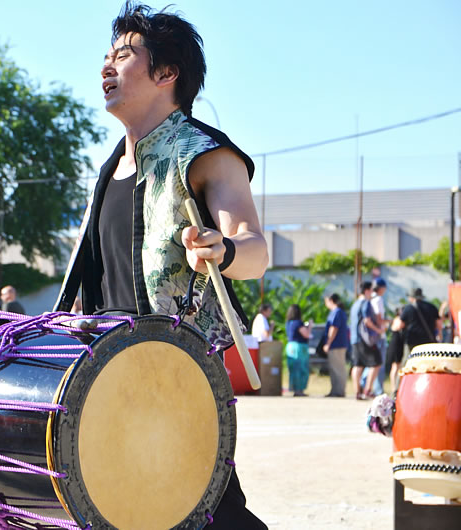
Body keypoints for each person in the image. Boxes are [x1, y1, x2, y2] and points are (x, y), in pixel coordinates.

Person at [52, 4, 268, 527]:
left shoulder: (202, 152)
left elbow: (256, 250)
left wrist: (223, 249)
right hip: (110, 374)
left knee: (210, 512)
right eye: (106, 56)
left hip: (177, 377)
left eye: (123, 56)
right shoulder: (110, 168)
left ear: (166, 74)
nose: (106, 67)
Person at [392, 287, 441, 388]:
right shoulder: (431, 307)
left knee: (405, 366)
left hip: (412, 342)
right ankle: (430, 388)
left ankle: (397, 390)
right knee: (429, 367)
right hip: (428, 342)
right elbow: (439, 324)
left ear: (411, 298)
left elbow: (399, 325)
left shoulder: (408, 308)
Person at [350, 281, 385, 400]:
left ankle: (357, 391)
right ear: (366, 291)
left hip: (355, 338)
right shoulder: (366, 303)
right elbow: (367, 321)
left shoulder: (355, 304)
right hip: (365, 339)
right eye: (371, 290)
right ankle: (367, 389)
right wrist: (378, 330)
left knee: (358, 365)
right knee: (377, 362)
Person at [322, 294, 349, 397]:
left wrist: (328, 342)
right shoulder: (340, 312)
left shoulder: (336, 312)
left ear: (331, 300)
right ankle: (335, 390)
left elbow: (334, 328)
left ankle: (338, 391)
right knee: (336, 368)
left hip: (336, 344)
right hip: (339, 344)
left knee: (337, 369)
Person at [285, 304, 311, 397]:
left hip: (290, 346)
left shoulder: (288, 323)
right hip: (299, 347)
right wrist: (310, 326)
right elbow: (306, 334)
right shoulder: (298, 323)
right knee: (301, 368)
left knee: (293, 369)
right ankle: (299, 390)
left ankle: (295, 389)